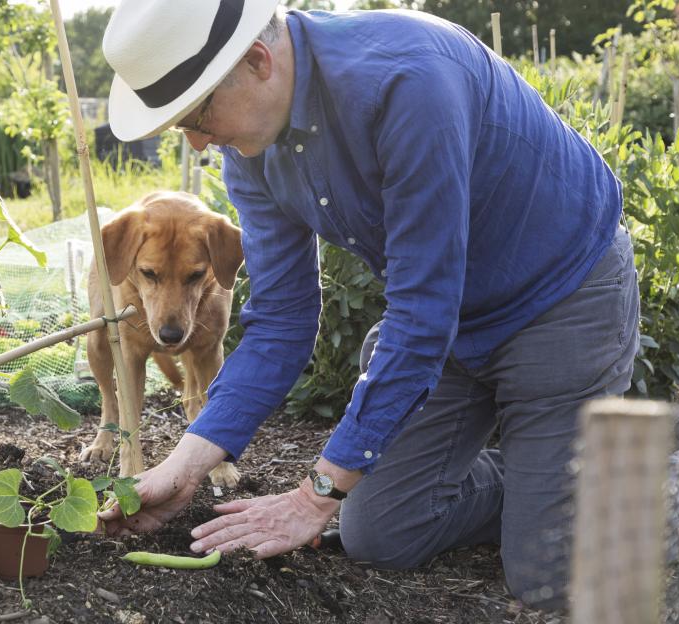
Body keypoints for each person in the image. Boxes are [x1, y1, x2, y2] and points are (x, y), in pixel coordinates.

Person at [98, 0, 639, 610]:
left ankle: (628, 473)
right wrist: (188, 462)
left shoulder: (408, 81)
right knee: (381, 533)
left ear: (257, 61)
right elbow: (280, 319)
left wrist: (315, 493)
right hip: (454, 326)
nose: (198, 141)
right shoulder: (250, 147)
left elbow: (422, 310)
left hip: (559, 300)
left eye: (198, 114)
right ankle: (544, 474)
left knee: (543, 574)